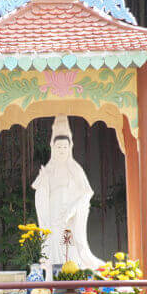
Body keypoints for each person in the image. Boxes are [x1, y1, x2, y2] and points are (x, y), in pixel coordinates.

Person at [32, 115, 103, 269]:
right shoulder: (49, 170)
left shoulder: (74, 169)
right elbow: (40, 192)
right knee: (52, 248)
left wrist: (72, 209)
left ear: (70, 147)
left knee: (68, 248)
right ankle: (53, 280)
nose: (62, 150)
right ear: (53, 147)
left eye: (65, 147)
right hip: (53, 216)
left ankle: (70, 279)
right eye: (59, 147)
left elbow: (86, 193)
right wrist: (43, 181)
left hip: (68, 218)